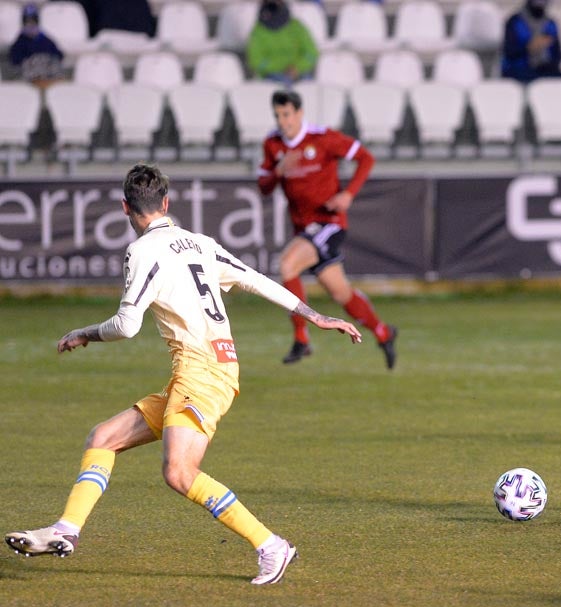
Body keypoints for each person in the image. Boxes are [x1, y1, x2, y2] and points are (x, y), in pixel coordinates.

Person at [4, 164, 362, 584]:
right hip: (201, 371)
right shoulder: (200, 242)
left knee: (179, 472)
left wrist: (84, 333)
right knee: (103, 438)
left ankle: (271, 546)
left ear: (125, 208)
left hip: (203, 374)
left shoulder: (142, 252)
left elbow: (126, 326)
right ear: (167, 204)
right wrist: (313, 315)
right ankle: (65, 530)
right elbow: (256, 279)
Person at [257, 89, 398, 368]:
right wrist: (279, 171)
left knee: (287, 266)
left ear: (299, 113)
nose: (282, 121)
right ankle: (383, 332)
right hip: (304, 230)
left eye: (286, 114)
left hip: (328, 224)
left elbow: (366, 158)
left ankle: (302, 339)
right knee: (340, 293)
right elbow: (264, 187)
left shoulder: (323, 138)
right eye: (277, 115)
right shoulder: (273, 145)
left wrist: (348, 195)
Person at [246, 0, 318, 86]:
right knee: (282, 85)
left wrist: (297, 68)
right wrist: (283, 69)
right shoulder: (258, 31)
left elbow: (311, 53)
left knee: (307, 85)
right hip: (272, 76)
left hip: (300, 74)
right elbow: (255, 61)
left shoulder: (296, 26)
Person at [500, 0, 561, 83]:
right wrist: (529, 48)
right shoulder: (515, 21)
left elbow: (558, 55)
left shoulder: (551, 24)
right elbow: (509, 51)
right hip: (518, 70)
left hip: (543, 70)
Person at [7, 3, 64, 89]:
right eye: (27, 22)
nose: (30, 24)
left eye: (33, 21)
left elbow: (59, 55)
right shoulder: (19, 42)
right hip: (30, 80)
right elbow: (15, 60)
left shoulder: (45, 39)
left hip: (49, 77)